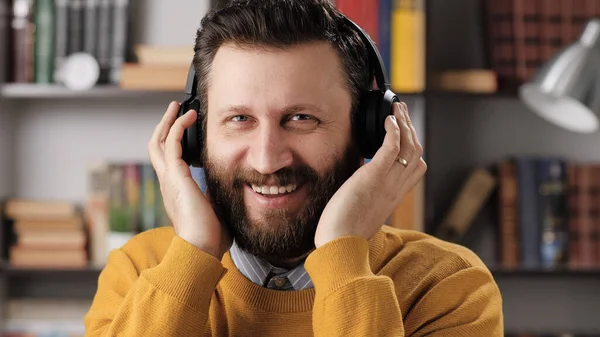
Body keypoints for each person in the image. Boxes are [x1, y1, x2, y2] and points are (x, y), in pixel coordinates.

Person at [83, 0, 503, 335]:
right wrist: (193, 255)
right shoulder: (142, 271)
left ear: (369, 131)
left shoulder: (447, 286)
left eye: (301, 119)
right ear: (193, 136)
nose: (267, 160)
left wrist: (343, 255)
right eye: (239, 119)